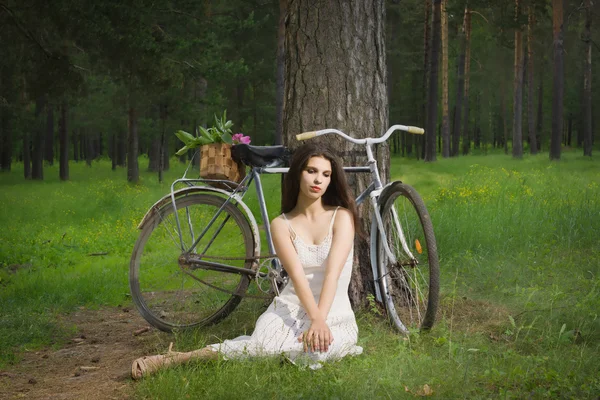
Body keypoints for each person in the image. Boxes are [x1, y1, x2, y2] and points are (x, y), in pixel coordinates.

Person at [131, 143, 362, 379]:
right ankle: (178, 358)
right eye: (311, 171)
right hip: (292, 306)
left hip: (333, 311)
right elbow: (297, 277)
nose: (318, 180)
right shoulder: (281, 225)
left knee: (317, 351)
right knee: (260, 345)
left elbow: (332, 274)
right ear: (297, 173)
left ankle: (291, 345)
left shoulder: (341, 217)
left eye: (326, 174)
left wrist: (319, 321)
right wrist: (313, 319)